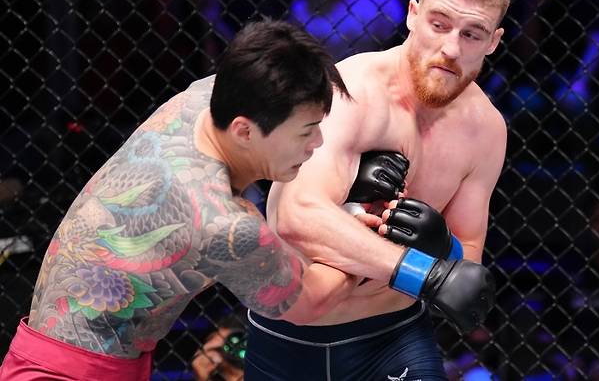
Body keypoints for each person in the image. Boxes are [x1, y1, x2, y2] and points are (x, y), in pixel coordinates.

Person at [0, 19, 357, 381]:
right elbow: (310, 303)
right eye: (306, 132)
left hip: (45, 351)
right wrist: (357, 230)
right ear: (244, 130)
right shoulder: (225, 223)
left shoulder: (199, 98)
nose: (318, 143)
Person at [245, 0, 509, 380]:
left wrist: (444, 246)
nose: (450, 48)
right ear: (413, 15)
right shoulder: (352, 91)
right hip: (287, 338)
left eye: (472, 34)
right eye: (439, 24)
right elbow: (295, 216)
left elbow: (466, 266)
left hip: (394, 336)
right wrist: (424, 271)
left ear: (493, 41)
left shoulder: (486, 129)